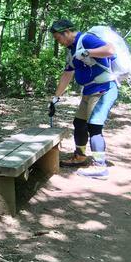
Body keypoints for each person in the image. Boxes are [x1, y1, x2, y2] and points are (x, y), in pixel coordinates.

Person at [48, 19, 118, 179]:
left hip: (104, 89)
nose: (59, 42)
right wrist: (55, 98)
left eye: (58, 38)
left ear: (66, 32)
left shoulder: (86, 39)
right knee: (79, 123)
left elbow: (110, 50)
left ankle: (100, 166)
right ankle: (80, 156)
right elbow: (67, 75)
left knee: (94, 125)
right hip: (88, 91)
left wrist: (88, 52)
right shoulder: (71, 50)